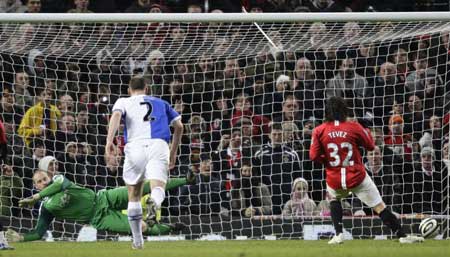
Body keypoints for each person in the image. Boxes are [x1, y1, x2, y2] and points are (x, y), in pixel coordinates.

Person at [309, 96, 423, 244]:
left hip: (335, 177)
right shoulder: (354, 126)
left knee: (334, 198)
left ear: (326, 112)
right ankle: (402, 236)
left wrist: (328, 162)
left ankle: (338, 234)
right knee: (379, 206)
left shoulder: (319, 130)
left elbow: (313, 156)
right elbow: (370, 146)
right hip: (357, 177)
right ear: (345, 110)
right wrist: (365, 131)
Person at [5, 170, 193, 243]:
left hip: (104, 198)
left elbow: (59, 185)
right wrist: (22, 238)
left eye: (44, 178)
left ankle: (186, 179)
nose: (43, 182)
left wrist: (36, 196)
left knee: (140, 185)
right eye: (39, 182)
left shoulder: (58, 180)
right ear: (35, 185)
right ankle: (170, 227)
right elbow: (39, 233)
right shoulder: (46, 208)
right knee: (141, 228)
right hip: (99, 218)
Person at [105, 76, 183, 249]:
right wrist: (174, 151)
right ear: (147, 88)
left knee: (134, 194)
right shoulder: (162, 103)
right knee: (158, 188)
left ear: (129, 90)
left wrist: (109, 142)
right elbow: (179, 126)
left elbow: (116, 115)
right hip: (159, 145)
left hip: (135, 147)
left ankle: (138, 241)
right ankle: (154, 201)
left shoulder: (123, 101)